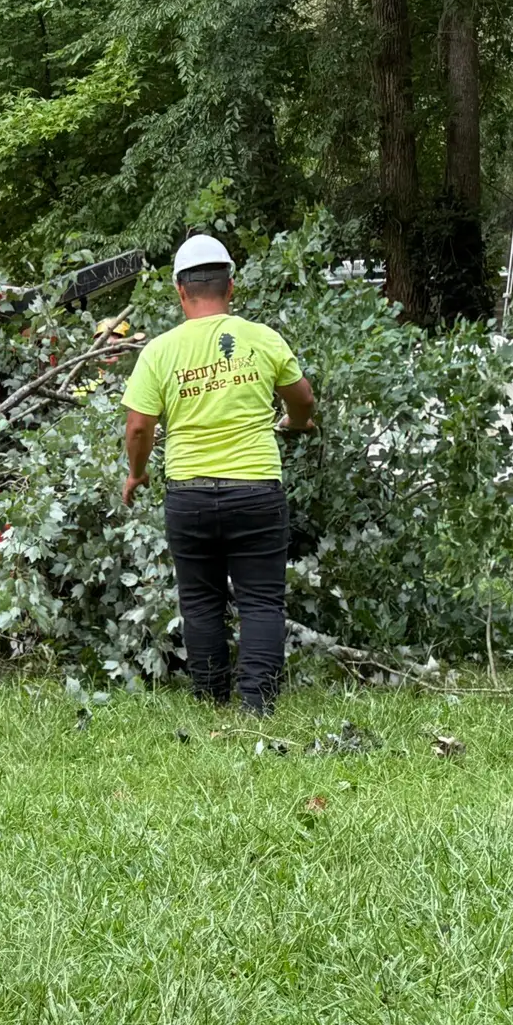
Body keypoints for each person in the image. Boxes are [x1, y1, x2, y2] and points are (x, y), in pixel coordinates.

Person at [120, 234, 315, 713]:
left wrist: (137, 474)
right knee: (261, 601)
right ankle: (257, 703)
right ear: (231, 287)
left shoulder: (159, 352)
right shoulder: (263, 339)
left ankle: (210, 698)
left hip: (189, 496)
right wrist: (297, 422)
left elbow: (139, 428)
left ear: (180, 292)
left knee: (201, 601)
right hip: (256, 492)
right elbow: (303, 398)